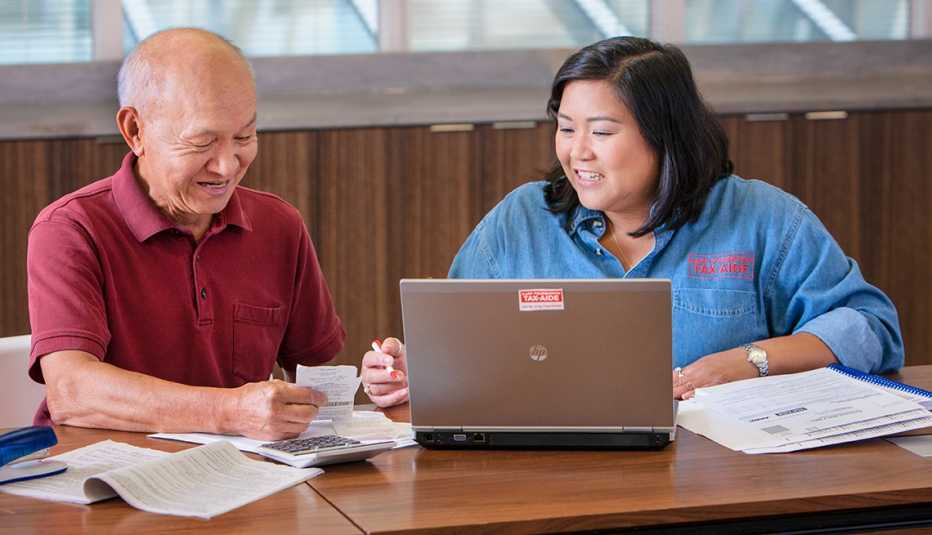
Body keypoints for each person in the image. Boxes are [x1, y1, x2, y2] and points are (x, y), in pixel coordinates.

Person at [361, 36, 903, 406]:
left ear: (665, 135)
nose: (578, 153)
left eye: (600, 132)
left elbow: (868, 330)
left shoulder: (760, 217)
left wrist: (747, 362)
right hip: (545, 479)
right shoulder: (521, 220)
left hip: (720, 479)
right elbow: (457, 348)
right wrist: (411, 370)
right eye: (566, 128)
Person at [27, 28, 345, 440]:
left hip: (244, 478)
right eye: (202, 143)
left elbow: (314, 372)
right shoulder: (70, 229)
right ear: (135, 131)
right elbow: (73, 391)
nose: (228, 166)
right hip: (100, 484)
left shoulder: (279, 225)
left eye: (244, 137)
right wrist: (230, 412)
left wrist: (378, 382)